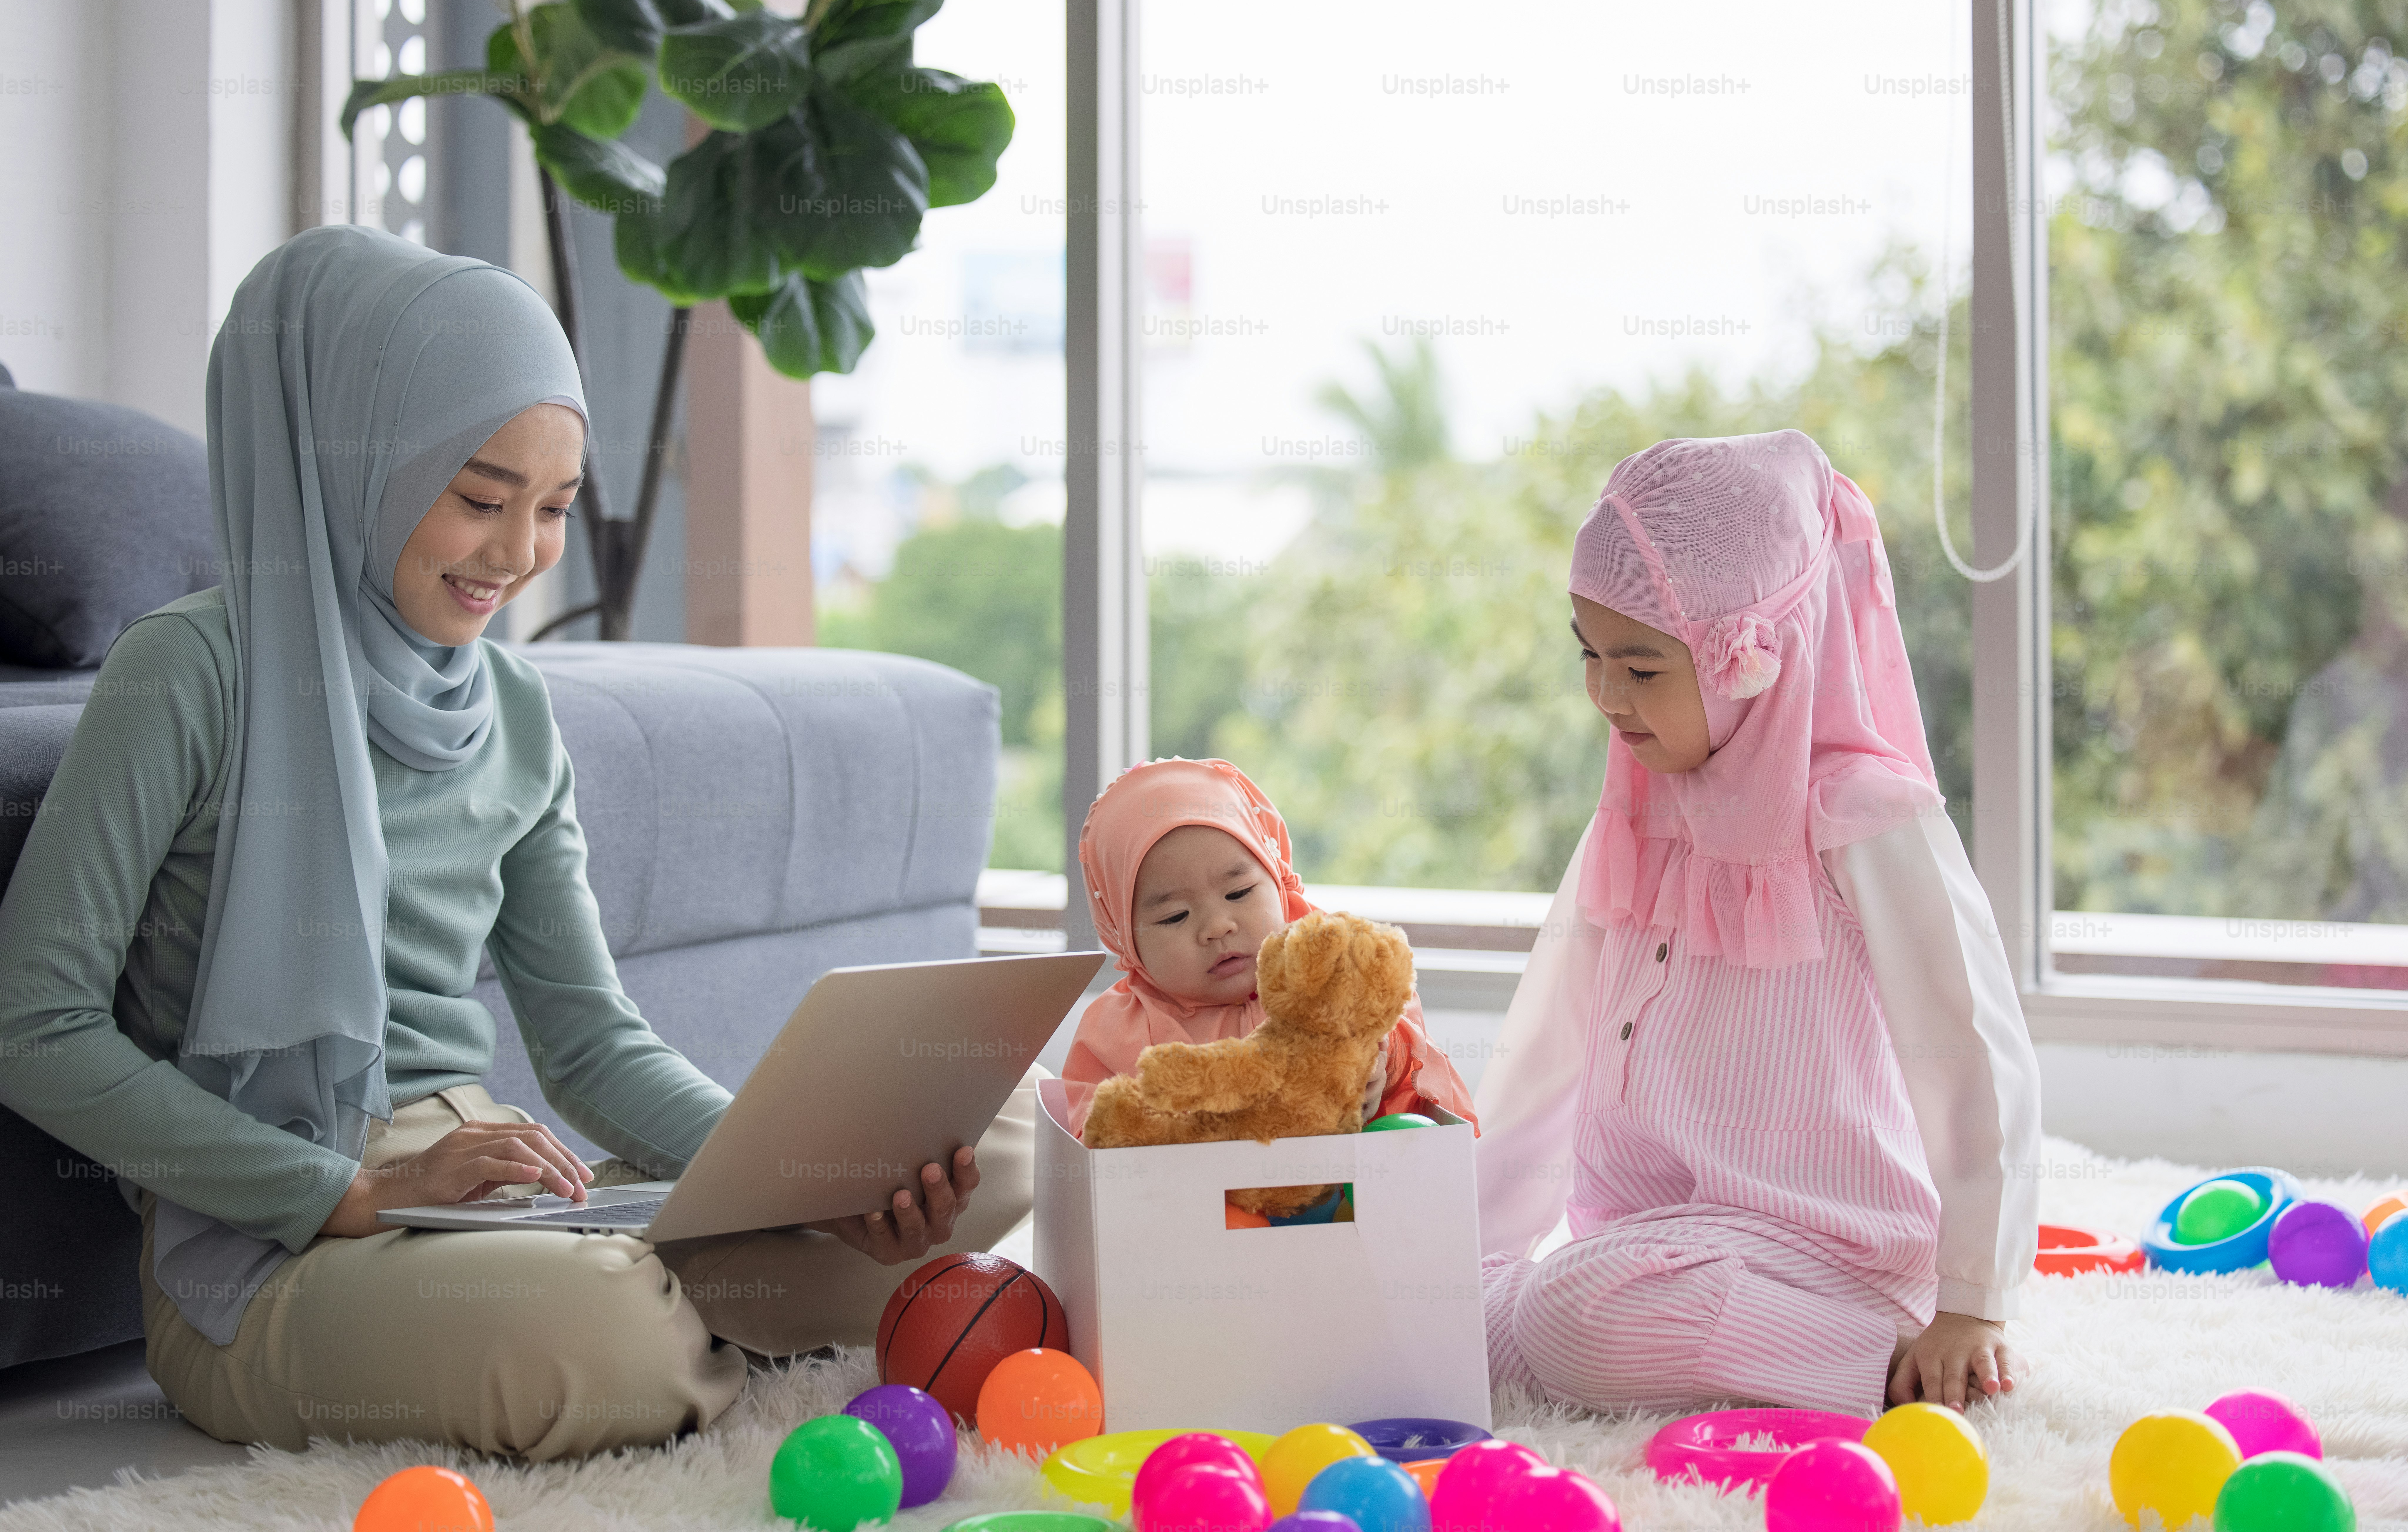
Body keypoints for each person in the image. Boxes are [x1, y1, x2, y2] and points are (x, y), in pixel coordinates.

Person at [0, 226, 1036, 1461]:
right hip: (273, 1251)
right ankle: (682, 1305)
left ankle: (691, 1278)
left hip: (500, 1194)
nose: (519, 555)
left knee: (1003, 1135)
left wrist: (799, 1183)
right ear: (356, 460)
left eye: (550, 508)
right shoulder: (188, 672)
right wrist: (352, 1192)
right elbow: (33, 1023)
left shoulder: (513, 707)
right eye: (481, 498)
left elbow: (591, 1044)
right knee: (606, 1338)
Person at [1475, 430, 2042, 1416]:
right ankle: (1584, 1315)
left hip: (1832, 1249)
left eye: (1643, 669)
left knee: (1569, 1317)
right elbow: (1547, 1043)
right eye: (1591, 658)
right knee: (1485, 1320)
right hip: (1657, 1239)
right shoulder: (1635, 814)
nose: (1607, 698)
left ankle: (1888, 1368)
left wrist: (1974, 1298)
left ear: (1754, 658)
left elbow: (1972, 1049)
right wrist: (1470, 1249)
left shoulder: (1864, 813)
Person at [1059, 756, 1477, 1139]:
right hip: (1193, 1212)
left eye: (1238, 892)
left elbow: (1403, 1037)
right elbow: (1091, 1134)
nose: (1218, 927)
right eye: (1175, 917)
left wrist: (1383, 1066)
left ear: (1277, 882)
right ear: (1125, 937)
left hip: (1345, 1204)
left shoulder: (1329, 969)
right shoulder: (1112, 1032)